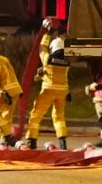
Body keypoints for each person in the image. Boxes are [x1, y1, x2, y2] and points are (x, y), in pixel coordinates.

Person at [25, 18, 71, 150]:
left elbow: (42, 47)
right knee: (59, 117)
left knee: (36, 114)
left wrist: (48, 33)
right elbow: (64, 77)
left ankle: (31, 140)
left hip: (48, 90)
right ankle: (62, 143)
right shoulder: (67, 62)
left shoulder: (47, 59)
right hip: (62, 91)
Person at [0, 45, 25, 148]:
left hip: (4, 91)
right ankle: (5, 140)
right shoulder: (2, 59)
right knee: (6, 117)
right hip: (15, 90)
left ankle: (8, 137)